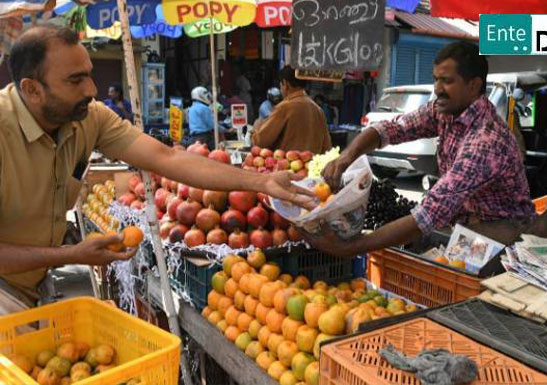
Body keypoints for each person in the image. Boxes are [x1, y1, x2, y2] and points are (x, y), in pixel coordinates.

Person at [0, 25, 314, 313]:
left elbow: (167, 158)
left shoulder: (89, 118)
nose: (92, 89)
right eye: (75, 80)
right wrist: (72, 255)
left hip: (34, 287)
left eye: (89, 74)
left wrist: (262, 181)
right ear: (32, 89)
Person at [304, 41, 536, 257]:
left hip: (505, 241)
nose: (437, 89)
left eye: (446, 81)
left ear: (474, 85)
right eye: (435, 79)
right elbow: (391, 129)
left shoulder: (486, 140)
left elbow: (430, 213)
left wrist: (353, 247)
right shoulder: (444, 111)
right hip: (468, 228)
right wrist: (346, 157)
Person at [252, 66, 332, 153]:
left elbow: (260, 141)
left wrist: (257, 127)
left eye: (281, 85)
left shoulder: (285, 107)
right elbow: (327, 147)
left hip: (288, 164)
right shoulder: (318, 110)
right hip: (313, 165)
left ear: (285, 84)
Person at [187, 86, 216, 150]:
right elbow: (212, 125)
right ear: (201, 95)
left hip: (193, 139)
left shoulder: (191, 108)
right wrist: (226, 129)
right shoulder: (204, 108)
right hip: (204, 138)